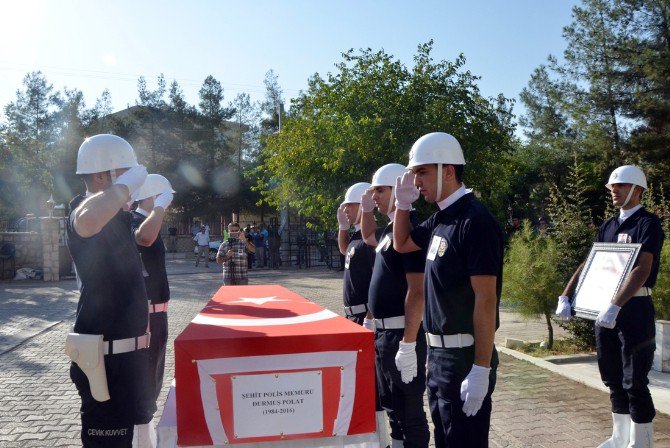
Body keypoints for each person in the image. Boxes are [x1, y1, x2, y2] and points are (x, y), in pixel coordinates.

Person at [393, 132, 503, 448]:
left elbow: (486, 299)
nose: (416, 181)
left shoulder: (475, 221)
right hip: (439, 356)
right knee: (444, 440)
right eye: (414, 173)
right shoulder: (442, 219)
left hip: (465, 357)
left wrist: (481, 368)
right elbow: (401, 243)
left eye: (422, 172)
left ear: (449, 171)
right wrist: (402, 205)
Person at [556, 165, 664, 448]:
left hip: (634, 309)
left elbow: (642, 268)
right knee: (613, 375)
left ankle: (641, 442)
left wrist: (616, 306)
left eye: (621, 186)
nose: (614, 190)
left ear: (638, 190)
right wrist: (567, 294)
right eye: (612, 187)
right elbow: (590, 263)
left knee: (635, 379)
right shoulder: (608, 225)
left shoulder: (648, 223)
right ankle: (619, 437)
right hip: (604, 309)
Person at [65, 134, 151, 447]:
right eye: (125, 171)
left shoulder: (119, 216)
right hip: (105, 360)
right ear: (104, 174)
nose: (133, 180)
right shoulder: (82, 210)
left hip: (128, 357)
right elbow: (88, 219)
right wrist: (125, 186)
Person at [361, 163, 430, 448]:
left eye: (380, 190)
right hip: (383, 334)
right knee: (391, 403)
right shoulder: (390, 230)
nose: (374, 196)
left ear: (399, 189)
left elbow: (417, 290)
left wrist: (409, 343)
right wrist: (365, 210)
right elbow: (367, 237)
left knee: (409, 410)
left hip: (403, 334)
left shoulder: (409, 231)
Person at [337, 181, 390, 447]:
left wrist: (369, 316)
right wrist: (342, 228)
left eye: (351, 205)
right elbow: (345, 250)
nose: (346, 210)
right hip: (352, 317)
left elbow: (374, 282)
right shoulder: (357, 239)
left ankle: (380, 437)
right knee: (362, 382)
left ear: (364, 205)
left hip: (364, 317)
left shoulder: (371, 241)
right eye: (345, 206)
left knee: (373, 383)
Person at [130, 174, 175, 446]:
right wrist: (160, 206)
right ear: (155, 196)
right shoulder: (134, 221)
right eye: (165, 199)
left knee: (153, 376)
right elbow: (143, 239)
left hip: (157, 313)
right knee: (145, 381)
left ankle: (143, 433)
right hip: (145, 314)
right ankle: (141, 440)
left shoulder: (145, 221)